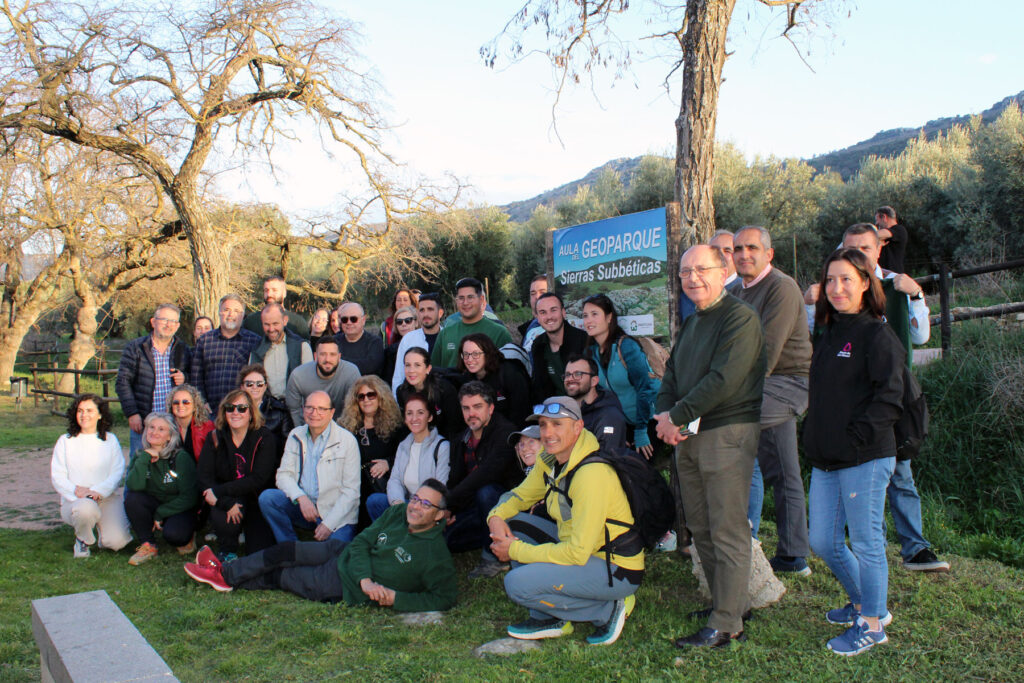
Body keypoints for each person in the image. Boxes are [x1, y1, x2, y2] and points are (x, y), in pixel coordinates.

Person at [805, 224, 946, 572]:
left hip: (893, 399)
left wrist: (917, 296)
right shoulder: (836, 292)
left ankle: (915, 547)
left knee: (901, 475)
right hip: (852, 407)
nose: (858, 253)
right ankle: (875, 546)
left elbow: (921, 337)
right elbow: (817, 335)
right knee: (869, 486)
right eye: (850, 247)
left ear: (878, 250)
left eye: (865, 248)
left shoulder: (898, 285)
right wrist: (810, 303)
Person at [654, 244, 765, 649]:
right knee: (700, 525)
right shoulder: (692, 323)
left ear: (723, 272)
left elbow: (724, 380)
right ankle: (729, 604)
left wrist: (676, 417)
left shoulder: (739, 318)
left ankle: (727, 623)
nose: (693, 278)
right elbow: (671, 375)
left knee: (726, 528)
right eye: (685, 271)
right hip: (689, 434)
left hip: (727, 432)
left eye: (701, 269)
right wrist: (665, 416)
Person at [804, 248, 903, 655]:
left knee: (866, 542)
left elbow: (890, 397)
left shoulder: (876, 334)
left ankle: (873, 624)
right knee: (822, 541)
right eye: (830, 280)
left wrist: (856, 438)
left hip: (865, 457)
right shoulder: (829, 332)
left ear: (865, 283)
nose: (836, 288)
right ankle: (865, 603)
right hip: (827, 459)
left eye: (846, 279)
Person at [487, 397, 643, 646]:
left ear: (578, 427)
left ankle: (607, 609)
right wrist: (495, 516)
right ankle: (549, 616)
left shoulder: (591, 474)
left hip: (614, 566)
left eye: (557, 424)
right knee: (514, 524)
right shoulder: (551, 460)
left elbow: (577, 553)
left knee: (515, 585)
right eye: (543, 424)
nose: (548, 433)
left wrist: (515, 550)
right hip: (579, 549)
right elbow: (521, 495)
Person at [183, 481, 458, 614]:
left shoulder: (436, 556)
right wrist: (366, 578)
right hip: (342, 553)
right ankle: (225, 573)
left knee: (282, 576)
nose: (415, 506)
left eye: (426, 504)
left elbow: (444, 599)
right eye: (415, 498)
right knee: (285, 551)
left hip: (342, 586)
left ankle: (224, 578)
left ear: (439, 515)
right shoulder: (398, 513)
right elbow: (362, 542)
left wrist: (397, 599)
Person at [732, 226, 813, 576]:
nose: (743, 254)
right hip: (755, 384)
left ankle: (747, 541)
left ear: (769, 253)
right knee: (782, 467)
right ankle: (792, 554)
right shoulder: (735, 290)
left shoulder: (782, 287)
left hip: (788, 380)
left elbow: (765, 352)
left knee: (725, 428)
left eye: (752, 247)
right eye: (737, 248)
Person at [258, 391, 360, 545]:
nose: (314, 413)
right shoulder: (295, 435)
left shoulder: (347, 441)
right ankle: (290, 546)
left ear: (332, 412)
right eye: (310, 407)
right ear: (303, 409)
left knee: (335, 554)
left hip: (335, 513)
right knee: (268, 498)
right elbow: (283, 475)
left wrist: (328, 524)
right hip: (304, 508)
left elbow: (351, 492)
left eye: (321, 409)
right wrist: (301, 498)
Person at [446, 381, 520, 578]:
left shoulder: (505, 433)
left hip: (506, 506)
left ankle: (494, 558)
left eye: (477, 407)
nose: (471, 413)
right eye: (466, 408)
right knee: (448, 539)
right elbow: (455, 478)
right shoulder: (462, 438)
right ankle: (491, 537)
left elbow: (485, 475)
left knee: (485, 492)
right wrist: (449, 510)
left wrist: (449, 502)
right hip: (476, 508)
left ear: (491, 408)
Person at [197, 389, 278, 559]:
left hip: (256, 498)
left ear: (251, 413)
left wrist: (218, 492)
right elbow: (204, 476)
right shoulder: (215, 437)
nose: (235, 412)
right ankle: (228, 550)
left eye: (242, 408)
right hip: (228, 497)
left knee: (258, 552)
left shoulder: (264, 437)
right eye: (230, 408)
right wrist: (224, 502)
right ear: (224, 411)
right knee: (226, 520)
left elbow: (258, 478)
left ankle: (247, 532)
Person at [50, 394, 130, 558]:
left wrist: (98, 491)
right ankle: (83, 540)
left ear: (100, 414)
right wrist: (77, 490)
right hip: (76, 500)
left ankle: (103, 535)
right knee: (85, 509)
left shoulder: (110, 440)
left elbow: (117, 471)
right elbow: (57, 475)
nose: (84, 415)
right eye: (80, 411)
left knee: (117, 542)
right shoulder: (65, 441)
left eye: (89, 410)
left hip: (105, 498)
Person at [582, 294, 658, 459]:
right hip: (623, 424)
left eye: (595, 314)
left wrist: (641, 431)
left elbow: (644, 388)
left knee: (642, 469)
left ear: (609, 317)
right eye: (585, 315)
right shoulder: (591, 352)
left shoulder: (626, 346)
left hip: (649, 421)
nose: (589, 320)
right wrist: (618, 428)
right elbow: (600, 396)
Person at [123, 412, 199, 565]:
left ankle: (190, 534)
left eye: (161, 429)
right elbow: (134, 486)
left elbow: (190, 497)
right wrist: (145, 458)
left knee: (176, 536)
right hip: (153, 502)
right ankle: (148, 544)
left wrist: (161, 513)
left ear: (170, 436)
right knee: (133, 498)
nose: (154, 432)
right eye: (151, 427)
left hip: (178, 507)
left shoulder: (180, 458)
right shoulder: (140, 456)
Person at [115, 303, 190, 455]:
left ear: (177, 326)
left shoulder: (183, 349)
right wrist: (132, 413)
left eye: (173, 321)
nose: (168, 324)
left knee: (172, 463)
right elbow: (123, 382)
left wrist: (184, 378)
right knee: (140, 462)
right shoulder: (136, 348)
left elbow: (192, 381)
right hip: (145, 421)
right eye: (164, 320)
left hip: (173, 423)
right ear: (153, 322)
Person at [368, 394, 450, 520]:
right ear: (405, 419)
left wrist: (418, 506)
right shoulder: (403, 445)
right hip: (406, 505)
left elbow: (440, 487)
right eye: (409, 413)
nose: (414, 418)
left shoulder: (442, 446)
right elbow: (395, 480)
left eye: (420, 413)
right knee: (374, 501)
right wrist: (398, 504)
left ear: (430, 417)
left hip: (428, 507)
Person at [337, 375, 404, 525]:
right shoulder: (346, 427)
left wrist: (388, 463)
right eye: (361, 397)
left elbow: (405, 455)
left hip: (381, 488)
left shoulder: (396, 426)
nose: (366, 400)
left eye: (371, 395)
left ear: (381, 397)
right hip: (355, 488)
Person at [191, 294, 261, 411]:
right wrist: (202, 402)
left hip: (242, 410)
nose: (231, 314)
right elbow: (196, 377)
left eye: (236, 311)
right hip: (211, 409)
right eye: (226, 310)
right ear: (219, 312)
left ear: (243, 315)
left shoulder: (254, 341)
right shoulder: (204, 341)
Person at [431, 277, 512, 368]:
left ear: (481, 299)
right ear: (456, 301)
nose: (465, 303)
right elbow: (434, 370)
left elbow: (509, 372)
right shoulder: (445, 334)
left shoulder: (499, 333)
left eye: (470, 297)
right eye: (461, 298)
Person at [455, 333, 532, 427]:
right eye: (466, 354)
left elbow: (522, 413)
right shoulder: (467, 379)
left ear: (487, 354)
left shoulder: (509, 373)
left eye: (475, 354)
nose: (470, 359)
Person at [285, 338, 360, 426]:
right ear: (315, 356)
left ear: (339, 357)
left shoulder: (351, 373)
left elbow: (354, 408)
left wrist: (343, 431)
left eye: (332, 354)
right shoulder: (298, 375)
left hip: (342, 425)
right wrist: (306, 431)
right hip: (310, 424)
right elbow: (295, 410)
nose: (327, 359)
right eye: (323, 354)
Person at [529, 292, 590, 401]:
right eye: (543, 312)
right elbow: (539, 385)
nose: (549, 317)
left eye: (553, 310)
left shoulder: (583, 340)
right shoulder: (538, 345)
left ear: (563, 312)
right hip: (553, 407)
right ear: (537, 318)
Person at [563, 353, 628, 451]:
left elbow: (606, 455)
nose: (570, 379)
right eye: (567, 374)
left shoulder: (609, 416)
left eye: (578, 374)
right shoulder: (566, 412)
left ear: (594, 381)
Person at [395, 347, 462, 440]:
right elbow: (407, 426)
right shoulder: (402, 391)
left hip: (443, 441)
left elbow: (454, 427)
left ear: (428, 369)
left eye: (417, 365)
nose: (411, 370)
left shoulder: (444, 389)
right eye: (407, 365)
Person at [249, 303, 312, 400]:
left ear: (285, 320)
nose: (271, 329)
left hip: (295, 406)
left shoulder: (302, 347)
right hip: (266, 406)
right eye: (266, 324)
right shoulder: (256, 350)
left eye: (275, 324)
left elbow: (309, 384)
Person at [679, 230, 744, 324]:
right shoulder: (687, 295)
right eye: (716, 251)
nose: (721, 255)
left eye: (727, 251)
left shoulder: (746, 291)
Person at [238, 364, 293, 461]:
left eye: (259, 384)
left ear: (265, 386)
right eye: (249, 384)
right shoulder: (232, 410)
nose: (255, 387)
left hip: (271, 463)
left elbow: (288, 446)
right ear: (242, 386)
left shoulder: (280, 411)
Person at [391, 292, 445, 390]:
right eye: (422, 310)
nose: (426, 314)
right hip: (415, 395)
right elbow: (399, 376)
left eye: (430, 309)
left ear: (440, 313)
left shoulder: (448, 337)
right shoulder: (408, 339)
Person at [243, 275, 309, 338]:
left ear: (284, 293)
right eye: (266, 290)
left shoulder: (298, 323)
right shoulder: (251, 321)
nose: (269, 294)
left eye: (274, 290)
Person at [332, 301, 385, 377]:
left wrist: (338, 361)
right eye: (344, 319)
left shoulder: (374, 342)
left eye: (353, 319)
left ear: (363, 320)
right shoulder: (333, 342)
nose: (349, 322)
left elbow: (370, 367)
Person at [166, 384, 216, 462]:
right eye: (176, 402)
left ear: (195, 406)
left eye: (186, 402)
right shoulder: (166, 428)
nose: (180, 405)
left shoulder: (207, 427)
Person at [383, 305, 418, 385]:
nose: (404, 324)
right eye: (399, 322)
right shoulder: (390, 352)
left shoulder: (427, 344)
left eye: (408, 320)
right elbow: (388, 380)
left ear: (416, 323)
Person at [517, 274, 549, 351]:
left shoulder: (560, 332)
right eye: (533, 293)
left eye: (542, 292)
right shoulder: (529, 329)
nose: (537, 297)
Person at [875, 205, 908, 273]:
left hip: (893, 274)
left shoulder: (899, 230)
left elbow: (878, 234)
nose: (877, 224)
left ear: (884, 217)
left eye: (877, 221)